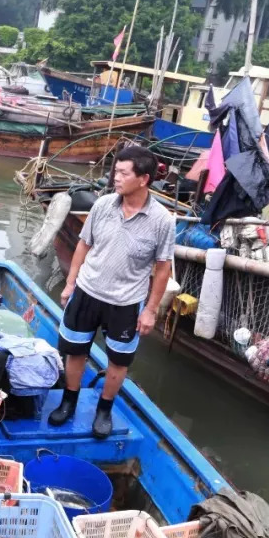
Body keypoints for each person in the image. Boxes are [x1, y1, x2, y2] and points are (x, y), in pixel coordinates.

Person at [47, 145, 175, 438]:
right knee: (76, 351)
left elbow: (163, 268)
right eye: (115, 171)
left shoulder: (162, 220)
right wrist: (70, 283)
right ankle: (69, 401)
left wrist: (151, 310)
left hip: (126, 303)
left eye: (123, 173)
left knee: (119, 360)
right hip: (88, 292)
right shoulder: (103, 205)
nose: (115, 177)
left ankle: (104, 409)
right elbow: (83, 244)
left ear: (143, 179)